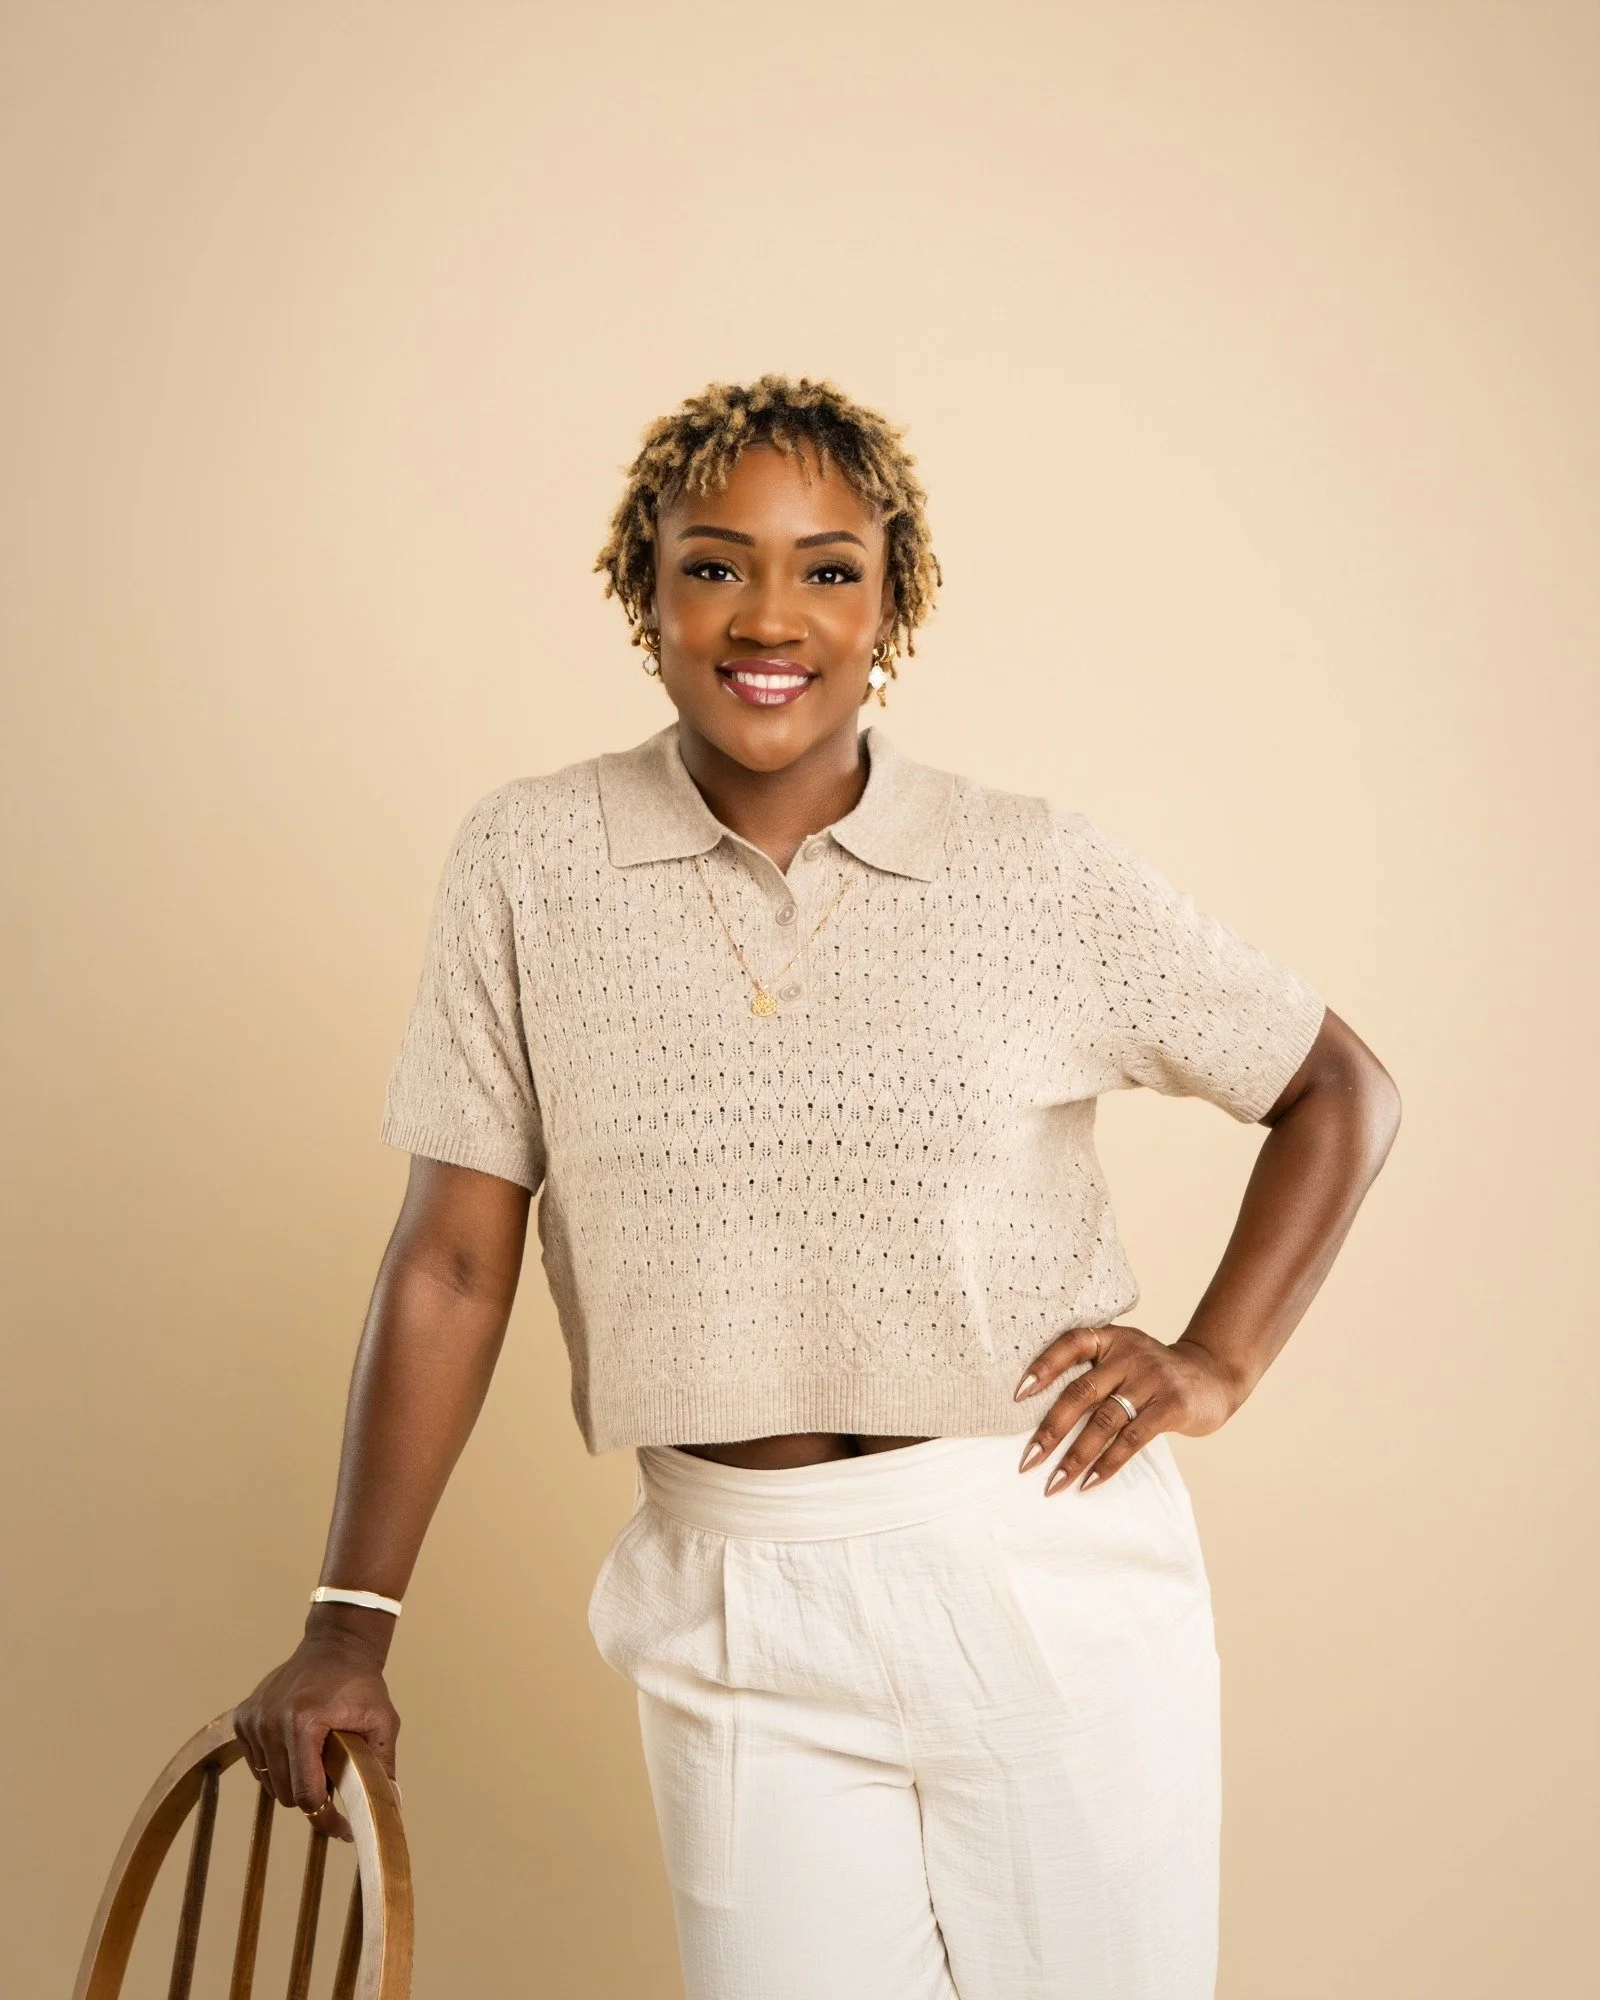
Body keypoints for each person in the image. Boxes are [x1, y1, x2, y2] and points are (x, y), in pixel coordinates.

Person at [233, 374, 1400, 1999]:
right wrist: (350, 1624)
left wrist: (1216, 1360)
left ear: (893, 604)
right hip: (730, 1601)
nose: (768, 615)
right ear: (642, 589)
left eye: (830, 568)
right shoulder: (529, 863)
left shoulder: (1029, 867)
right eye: (714, 564)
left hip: (1036, 1574)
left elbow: (1338, 1086)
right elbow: (451, 1264)